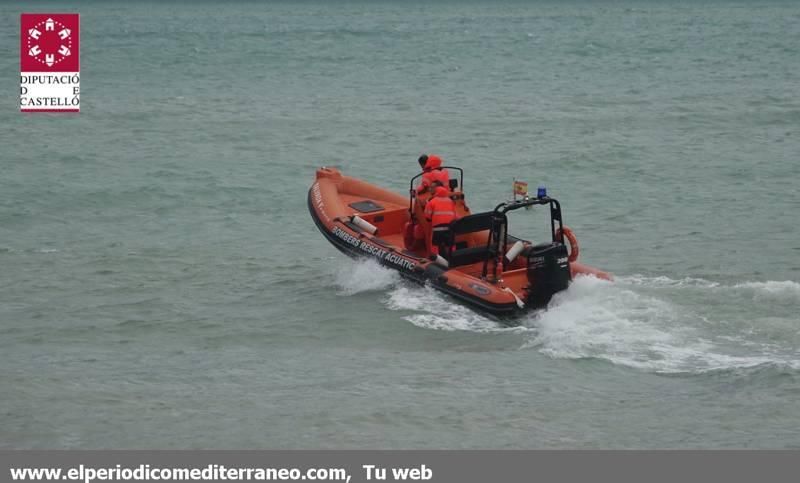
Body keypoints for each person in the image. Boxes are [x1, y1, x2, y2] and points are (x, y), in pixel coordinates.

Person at [424, 185, 458, 256]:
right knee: (450, 245)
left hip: (437, 229)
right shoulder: (451, 201)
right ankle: (453, 258)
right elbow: (455, 216)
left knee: (435, 245)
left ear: (436, 192)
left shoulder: (432, 202)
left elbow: (427, 217)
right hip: (450, 228)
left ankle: (435, 258)